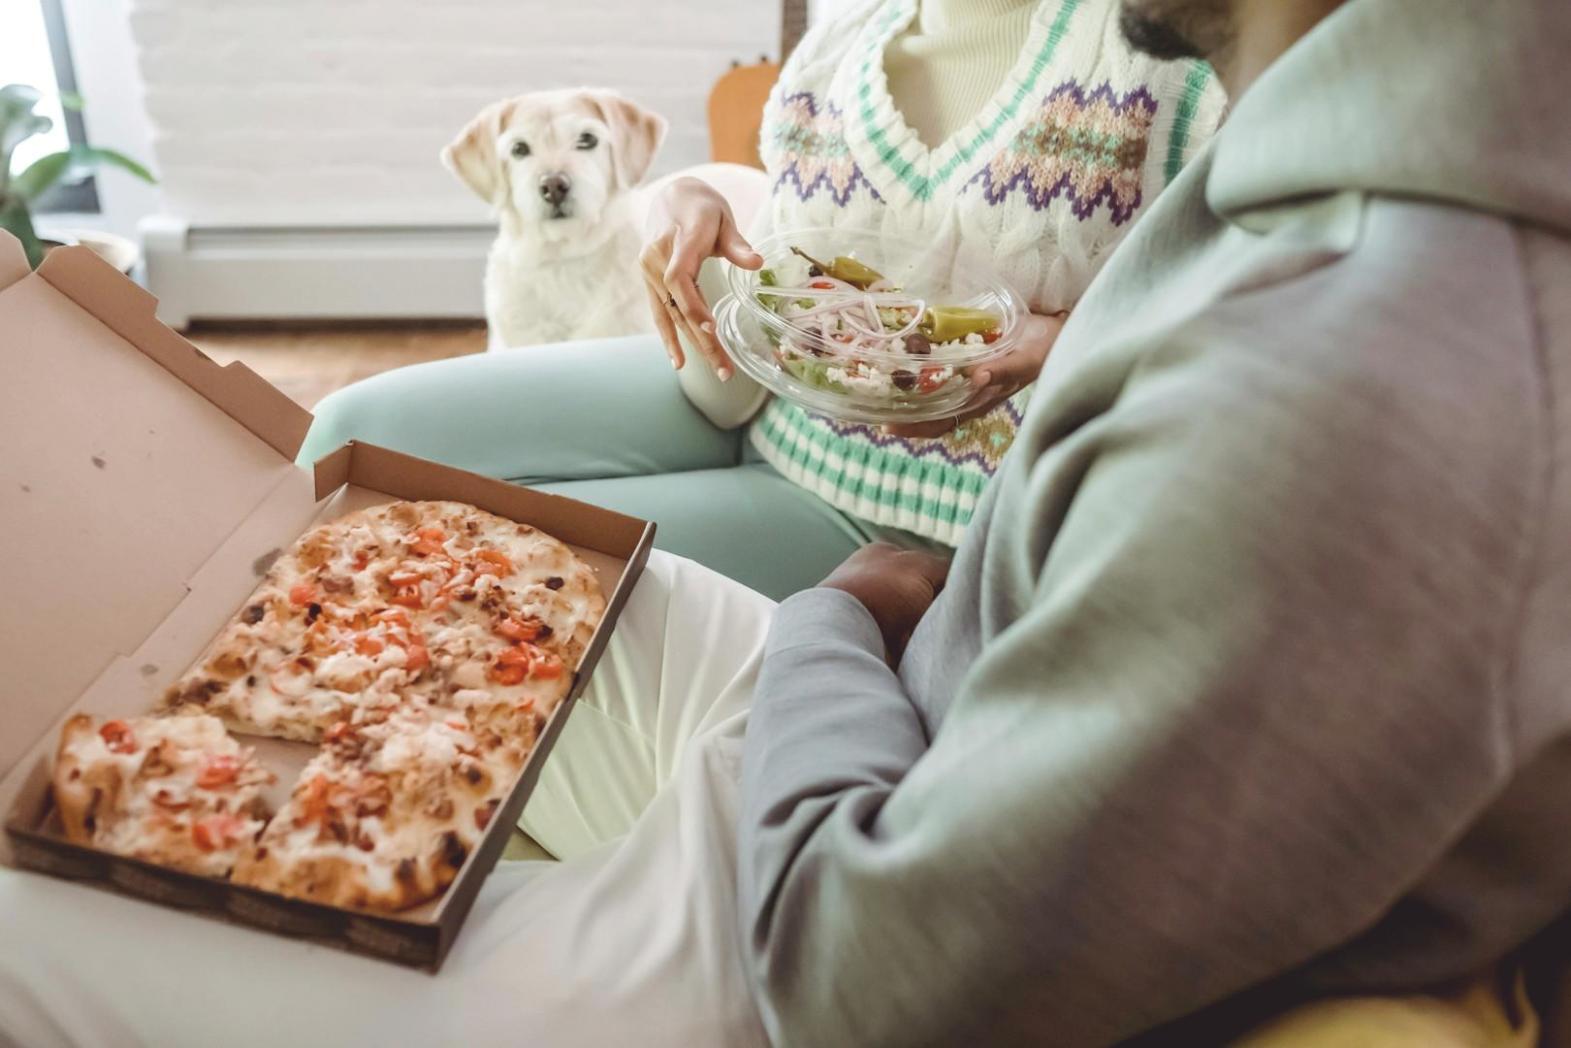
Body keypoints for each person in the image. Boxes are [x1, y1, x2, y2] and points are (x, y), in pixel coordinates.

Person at [3, 1, 1567, 1046]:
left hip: (798, 906)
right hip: (898, 703)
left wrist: (846, 605)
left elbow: (855, 978)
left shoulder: (1354, 380)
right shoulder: (1327, 142)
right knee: (359, 543)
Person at [298, 0, 1226, 600]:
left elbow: (1271, 319)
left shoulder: (1172, 57)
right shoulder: (837, 42)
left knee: (484, 578)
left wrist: (1072, 342)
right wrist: (698, 195)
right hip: (751, 404)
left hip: (921, 520)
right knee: (355, 432)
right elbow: (795, 242)